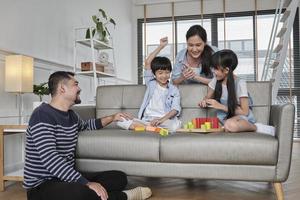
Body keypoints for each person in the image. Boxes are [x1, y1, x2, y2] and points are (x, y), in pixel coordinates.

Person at [24, 71, 152, 200]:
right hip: (42, 186)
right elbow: (50, 158)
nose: (79, 88)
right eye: (75, 84)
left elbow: (87, 125)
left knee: (118, 178)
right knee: (81, 193)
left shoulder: (71, 115)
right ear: (62, 89)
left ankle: (94, 194)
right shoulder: (42, 114)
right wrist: (86, 183)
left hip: (65, 180)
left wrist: (113, 117)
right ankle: (124, 197)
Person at [117, 37, 181, 132]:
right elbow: (147, 62)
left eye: (167, 72)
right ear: (154, 74)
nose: (164, 76)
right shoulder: (151, 83)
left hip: (164, 120)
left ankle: (146, 129)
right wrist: (161, 46)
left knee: (173, 126)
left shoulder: (173, 89)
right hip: (147, 120)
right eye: (160, 73)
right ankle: (150, 128)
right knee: (120, 121)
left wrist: (161, 119)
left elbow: (175, 109)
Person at [198, 49, 257, 132]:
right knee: (210, 126)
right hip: (223, 118)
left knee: (230, 125)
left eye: (216, 68)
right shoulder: (215, 80)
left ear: (226, 70)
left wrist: (220, 106)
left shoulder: (240, 83)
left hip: (240, 118)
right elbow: (207, 97)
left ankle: (256, 127)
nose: (213, 71)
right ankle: (226, 126)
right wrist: (204, 102)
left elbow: (245, 112)